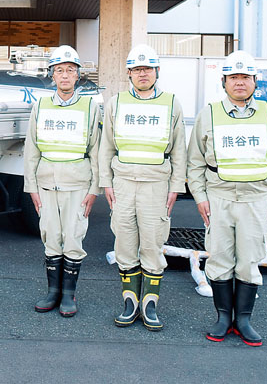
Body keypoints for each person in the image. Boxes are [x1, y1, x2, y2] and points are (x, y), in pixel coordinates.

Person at [187, 50, 267, 347]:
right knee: (219, 259)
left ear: (254, 82)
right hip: (218, 198)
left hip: (257, 199)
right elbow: (194, 162)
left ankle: (243, 320)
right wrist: (200, 197)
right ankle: (223, 318)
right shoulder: (208, 114)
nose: (240, 83)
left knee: (249, 260)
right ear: (224, 82)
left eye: (245, 77)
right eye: (234, 77)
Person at [98, 44, 186, 331]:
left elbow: (179, 152)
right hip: (123, 184)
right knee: (124, 243)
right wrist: (106, 182)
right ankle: (130, 302)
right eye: (137, 69)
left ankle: (150, 303)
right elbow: (106, 147)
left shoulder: (171, 103)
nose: (143, 74)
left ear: (157, 72)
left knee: (152, 243)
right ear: (129, 74)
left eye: (147, 69)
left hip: (156, 185)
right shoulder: (116, 103)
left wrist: (176, 186)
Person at [23, 45, 100, 317]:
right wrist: (30, 187)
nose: (65, 75)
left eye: (70, 70)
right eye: (59, 70)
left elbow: (96, 150)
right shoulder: (41, 105)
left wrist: (94, 190)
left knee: (74, 238)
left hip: (77, 186)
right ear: (52, 75)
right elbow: (31, 149)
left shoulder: (90, 107)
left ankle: (69, 294)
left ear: (78, 75)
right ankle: (52, 292)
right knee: (51, 238)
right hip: (45, 185)